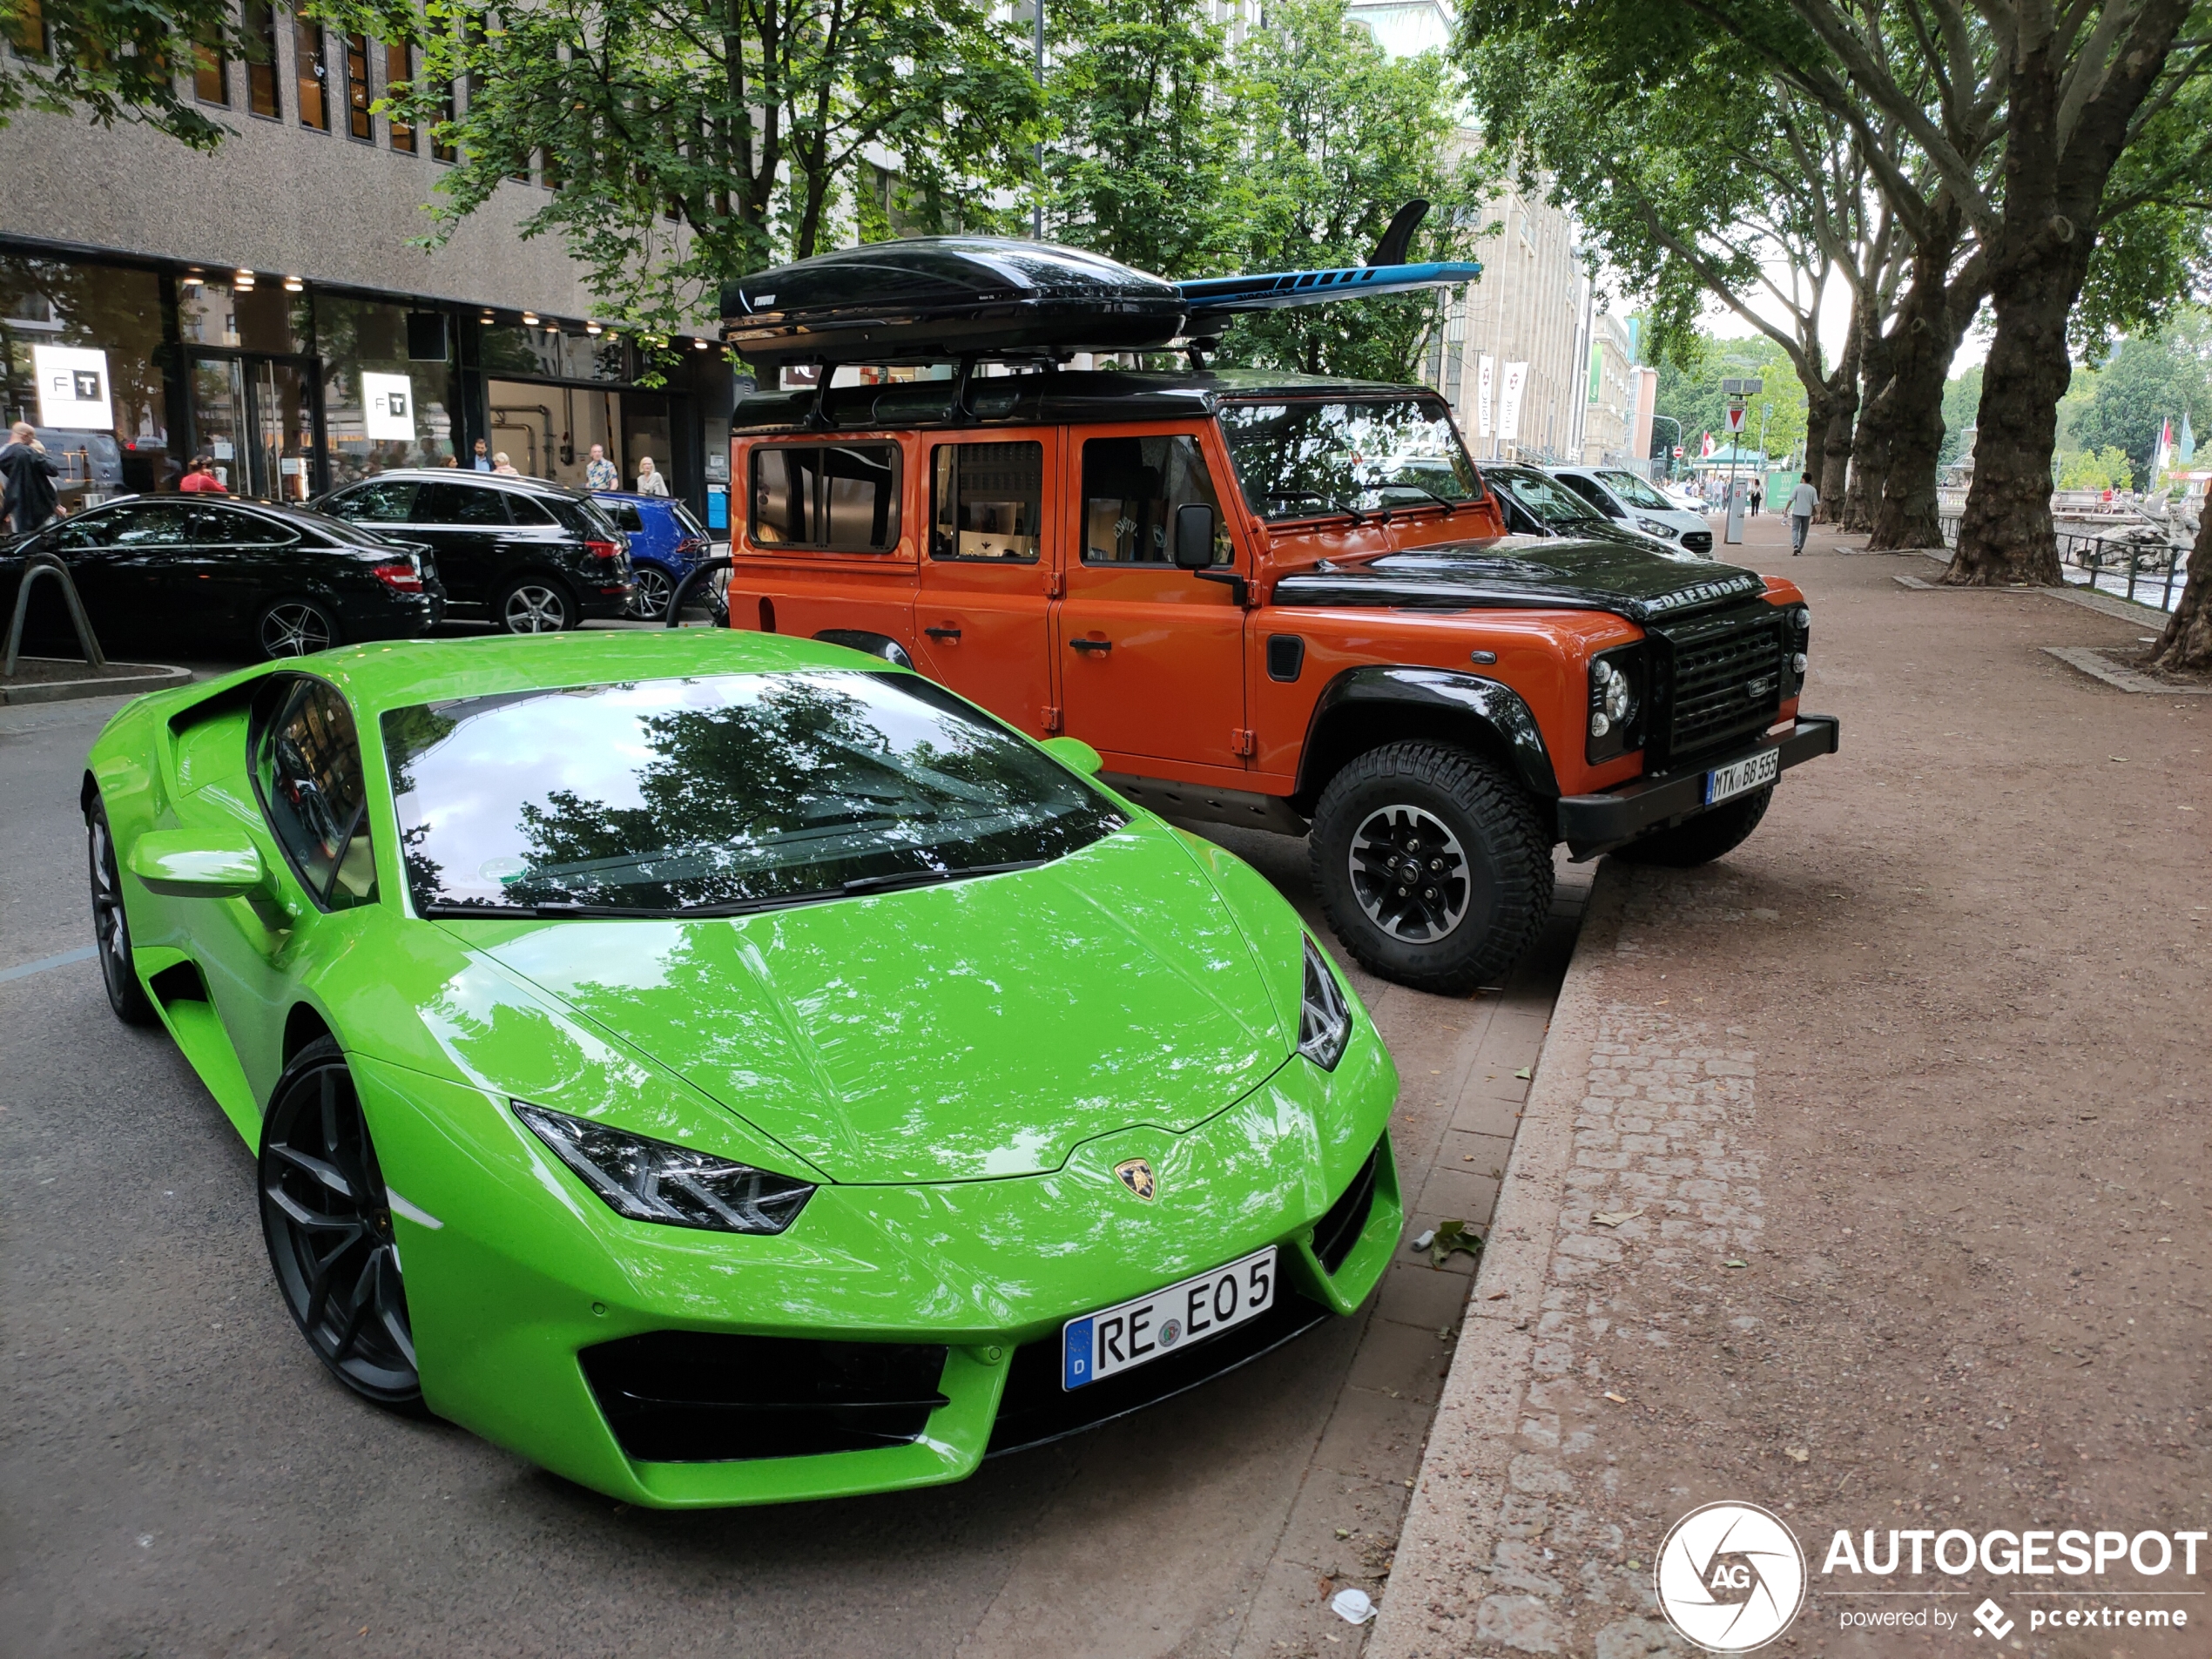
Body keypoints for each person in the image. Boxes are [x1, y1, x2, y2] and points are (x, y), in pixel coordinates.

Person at [0, 421, 62, 534]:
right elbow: (52, 469)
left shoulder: (3, 453)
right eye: (32, 439)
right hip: (37, 510)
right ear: (25, 436)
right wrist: (40, 452)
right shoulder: (28, 452)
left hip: (15, 510)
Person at [1787, 471, 1818, 555]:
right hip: (1807, 513)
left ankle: (1795, 546)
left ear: (1803, 478)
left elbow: (1791, 499)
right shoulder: (1813, 490)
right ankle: (1800, 547)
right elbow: (1815, 503)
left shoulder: (1797, 488)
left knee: (1795, 529)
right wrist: (1818, 513)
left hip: (1797, 511)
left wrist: (1786, 509)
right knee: (1804, 531)